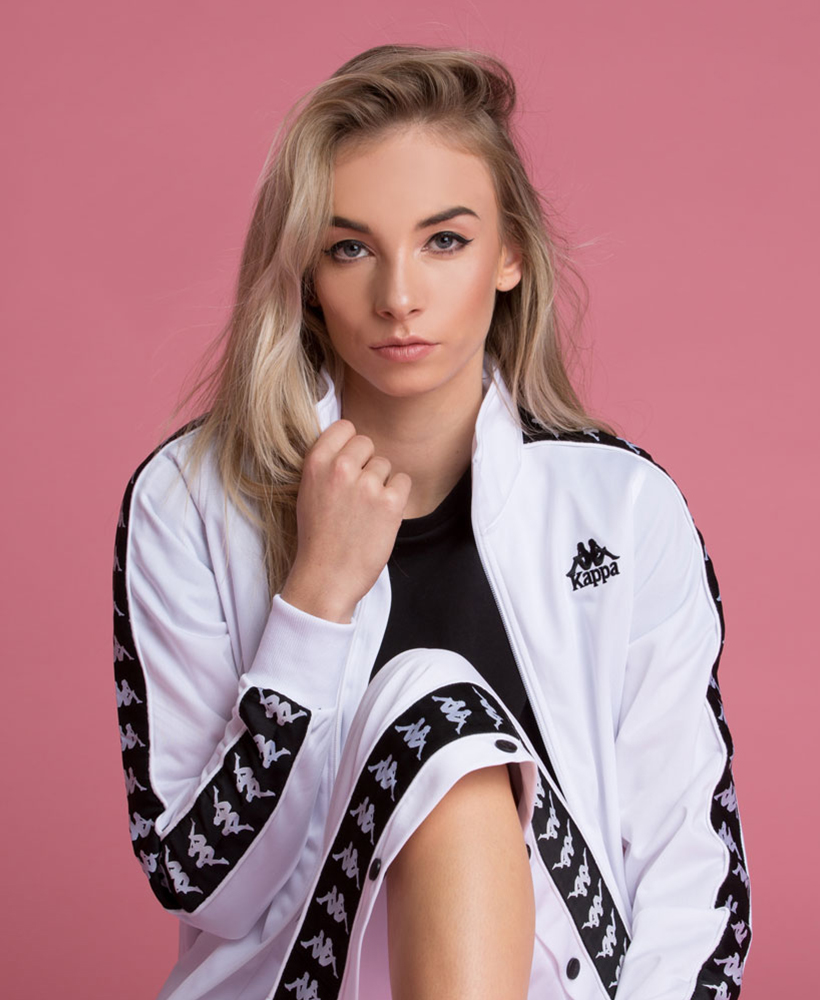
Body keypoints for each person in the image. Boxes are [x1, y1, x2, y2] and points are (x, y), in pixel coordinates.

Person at [111, 44, 751, 1000]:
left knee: (445, 722)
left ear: (510, 255)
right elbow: (202, 883)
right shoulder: (191, 499)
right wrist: (315, 600)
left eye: (444, 241)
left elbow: (691, 875)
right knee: (438, 720)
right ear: (306, 274)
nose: (398, 297)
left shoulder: (619, 507)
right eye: (351, 248)